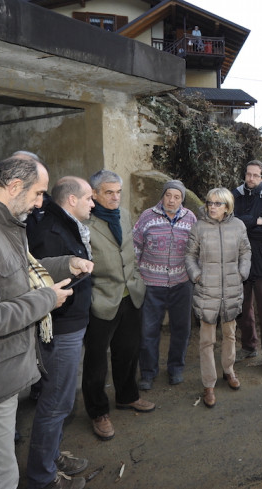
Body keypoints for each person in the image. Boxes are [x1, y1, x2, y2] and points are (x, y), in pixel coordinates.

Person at [0, 154, 91, 489]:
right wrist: (48, 299)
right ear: (15, 186)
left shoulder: (5, 223)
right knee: (1, 477)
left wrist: (65, 264)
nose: (41, 202)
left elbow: (19, 275)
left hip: (4, 372)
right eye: (38, 193)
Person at [25, 177, 95, 489]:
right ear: (71, 200)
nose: (92, 204)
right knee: (56, 402)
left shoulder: (66, 225)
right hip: (62, 328)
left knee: (62, 399)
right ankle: (42, 477)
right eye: (89, 198)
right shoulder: (50, 230)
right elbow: (40, 278)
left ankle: (51, 456)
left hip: (72, 325)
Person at [82, 170, 153, 442]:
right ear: (95, 194)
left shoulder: (123, 215)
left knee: (128, 350)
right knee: (96, 360)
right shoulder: (85, 221)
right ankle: (98, 412)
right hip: (101, 298)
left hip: (130, 294)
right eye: (109, 192)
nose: (115, 197)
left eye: (118, 192)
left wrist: (137, 279)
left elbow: (129, 252)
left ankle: (127, 396)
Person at [186, 188, 251, 408]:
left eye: (217, 203)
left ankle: (229, 371)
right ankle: (209, 384)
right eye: (209, 203)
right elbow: (190, 255)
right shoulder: (199, 226)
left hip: (232, 288)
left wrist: (242, 272)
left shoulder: (239, 226)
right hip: (207, 290)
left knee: (230, 334)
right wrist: (196, 275)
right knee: (206, 340)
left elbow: (245, 251)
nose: (212, 207)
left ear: (227, 206)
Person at [133, 180, 196, 390]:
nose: (172, 200)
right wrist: (136, 276)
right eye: (169, 195)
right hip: (151, 283)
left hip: (181, 282)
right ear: (162, 196)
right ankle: (148, 373)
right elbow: (135, 247)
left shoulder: (191, 218)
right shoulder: (147, 217)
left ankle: (176, 368)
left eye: (177, 197)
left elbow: (196, 250)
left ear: (182, 199)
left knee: (181, 329)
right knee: (148, 330)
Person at [232, 161, 262, 373]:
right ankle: (248, 346)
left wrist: (246, 226)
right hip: (240, 260)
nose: (250, 178)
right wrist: (255, 221)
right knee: (243, 309)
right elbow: (230, 224)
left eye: (255, 175)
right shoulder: (236, 196)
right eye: (248, 174)